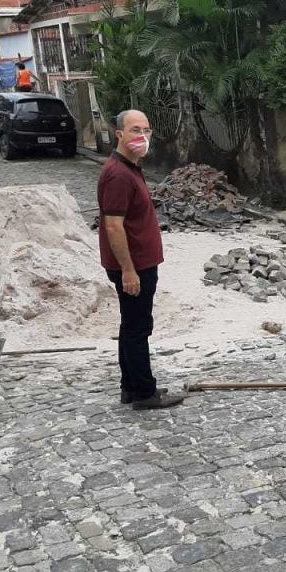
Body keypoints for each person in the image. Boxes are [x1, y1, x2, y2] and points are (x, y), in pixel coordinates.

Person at [98, 110, 182, 410]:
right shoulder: (118, 174)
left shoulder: (130, 167)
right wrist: (128, 271)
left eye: (146, 130)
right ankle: (145, 393)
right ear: (119, 133)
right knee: (138, 328)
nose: (142, 137)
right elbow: (112, 225)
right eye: (135, 130)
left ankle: (130, 387)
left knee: (131, 325)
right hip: (133, 266)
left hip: (140, 263)